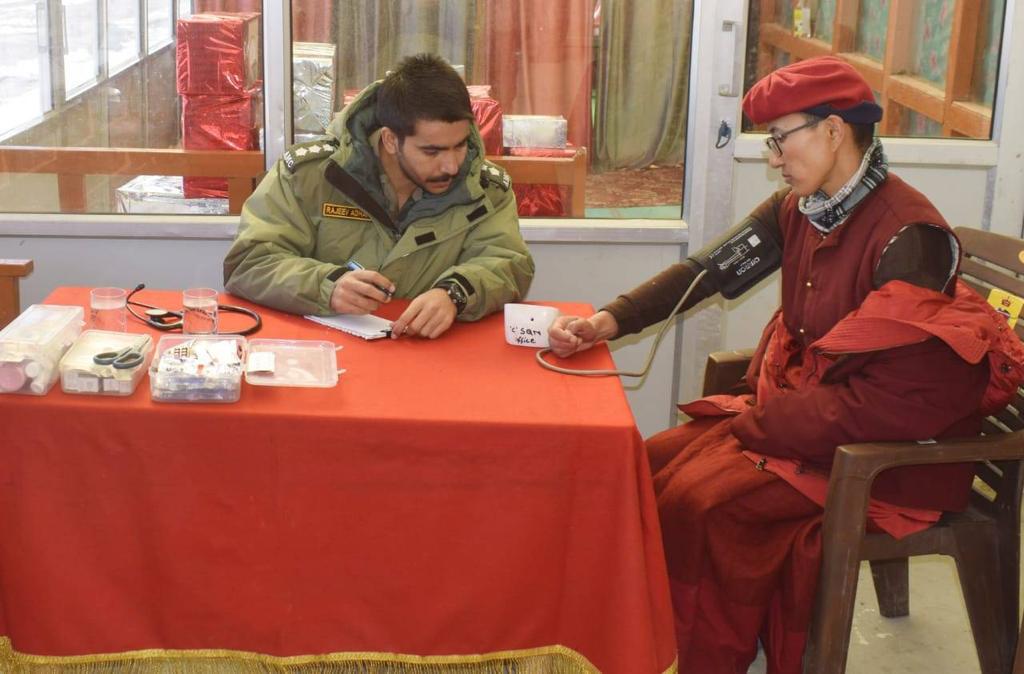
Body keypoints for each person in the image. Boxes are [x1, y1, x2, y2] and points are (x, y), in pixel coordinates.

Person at [547, 56, 1024, 673]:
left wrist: (762, 424)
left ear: (834, 130)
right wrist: (608, 321)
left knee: (700, 502)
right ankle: (650, 643)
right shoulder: (802, 208)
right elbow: (707, 272)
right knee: (648, 465)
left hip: (883, 454)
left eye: (779, 139)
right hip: (813, 419)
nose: (773, 159)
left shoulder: (909, 240)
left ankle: (694, 657)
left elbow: (901, 401)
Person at [224, 53, 534, 339]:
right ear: (390, 140)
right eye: (432, 151)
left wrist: (456, 293)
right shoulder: (309, 176)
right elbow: (250, 263)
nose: (451, 166)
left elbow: (509, 264)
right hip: (323, 355)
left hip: (434, 359)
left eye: (460, 145)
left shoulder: (485, 190)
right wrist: (326, 285)